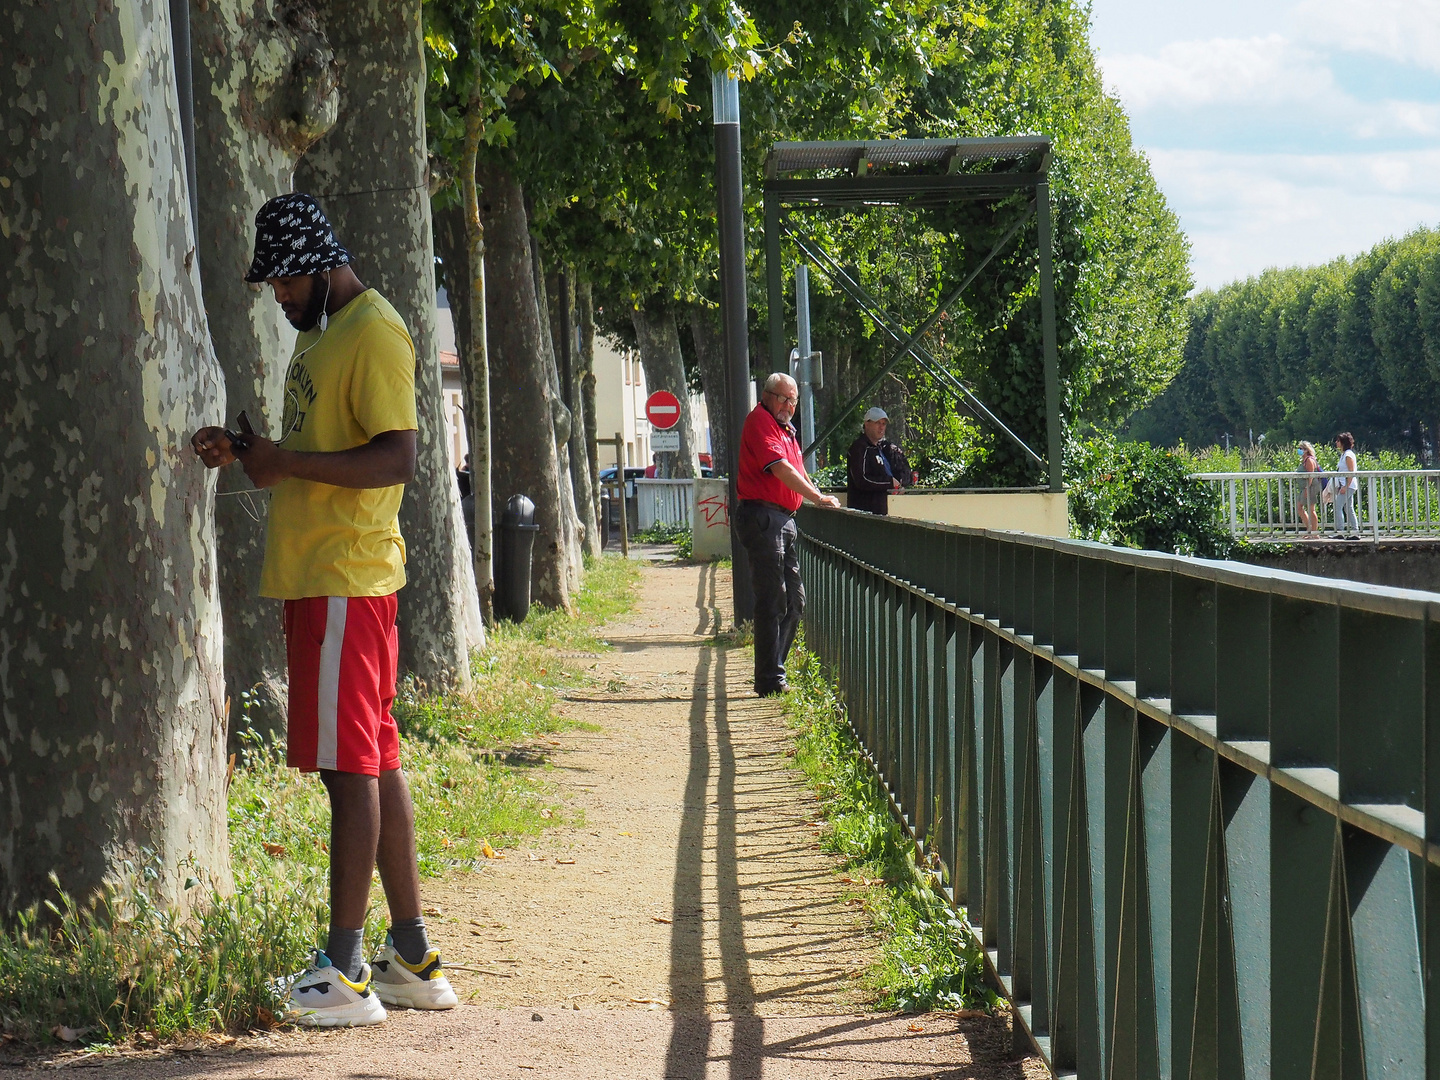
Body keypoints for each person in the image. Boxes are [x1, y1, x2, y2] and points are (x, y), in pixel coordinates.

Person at [190, 193, 457, 1027]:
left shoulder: (374, 330)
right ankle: (410, 957)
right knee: (374, 763)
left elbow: (397, 458)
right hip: (328, 577)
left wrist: (288, 459)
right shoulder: (322, 340)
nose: (277, 297)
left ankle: (344, 972)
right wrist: (250, 455)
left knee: (351, 771)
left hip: (347, 576)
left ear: (316, 262)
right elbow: (302, 464)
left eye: (282, 282)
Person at [734, 373, 841, 696]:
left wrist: (815, 493)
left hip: (783, 520)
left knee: (794, 601)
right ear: (766, 396)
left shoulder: (785, 429)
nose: (788, 406)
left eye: (793, 400)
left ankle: (773, 670)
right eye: (782, 398)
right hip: (763, 517)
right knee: (772, 600)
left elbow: (798, 470)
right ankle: (769, 679)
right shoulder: (760, 423)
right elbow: (781, 469)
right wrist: (817, 498)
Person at [846, 407, 911, 515]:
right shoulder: (859, 448)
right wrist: (889, 482)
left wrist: (899, 485)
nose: (881, 427)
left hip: (882, 511)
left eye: (884, 424)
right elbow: (862, 480)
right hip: (864, 514)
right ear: (867, 424)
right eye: (877, 423)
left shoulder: (882, 448)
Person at [1334, 431, 1361, 539]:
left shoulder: (1348, 455)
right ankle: (1355, 531)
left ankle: (1340, 531)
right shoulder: (1344, 454)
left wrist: (1345, 486)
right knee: (1349, 508)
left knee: (1338, 507)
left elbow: (1351, 472)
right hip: (1347, 485)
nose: (1336, 443)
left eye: (1338, 441)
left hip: (1348, 485)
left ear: (1343, 442)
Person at [1296, 441, 1320, 538]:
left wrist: (1307, 488)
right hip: (1304, 487)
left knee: (1311, 509)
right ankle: (1309, 529)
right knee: (1299, 507)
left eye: (1301, 449)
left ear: (1306, 450)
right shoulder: (1304, 460)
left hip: (1310, 487)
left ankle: (1314, 532)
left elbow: (1311, 476)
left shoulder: (1309, 460)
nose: (1299, 450)